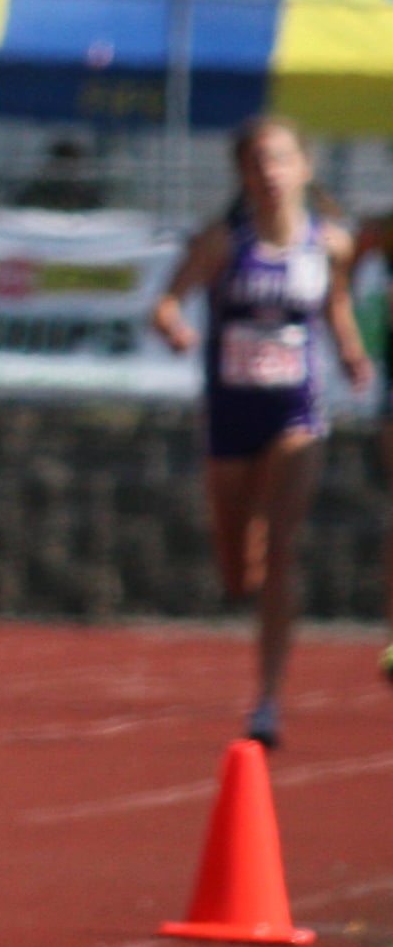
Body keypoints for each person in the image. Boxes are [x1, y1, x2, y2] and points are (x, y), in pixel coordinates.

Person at [158, 118, 368, 749]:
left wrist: (353, 354)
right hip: (230, 414)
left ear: (304, 167)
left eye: (279, 160)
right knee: (235, 568)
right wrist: (173, 326)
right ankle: (242, 566)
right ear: (243, 175)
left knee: (282, 550)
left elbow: (335, 306)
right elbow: (167, 301)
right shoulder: (222, 243)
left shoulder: (330, 244)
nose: (268, 173)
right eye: (255, 163)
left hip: (295, 413)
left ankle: (268, 701)